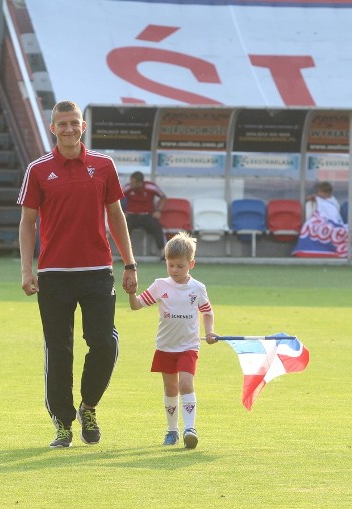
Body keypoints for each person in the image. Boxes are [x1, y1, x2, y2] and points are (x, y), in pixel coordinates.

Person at [18, 100, 137, 448]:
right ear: (52, 128)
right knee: (59, 350)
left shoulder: (103, 166)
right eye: (62, 124)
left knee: (104, 342)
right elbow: (27, 223)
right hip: (54, 274)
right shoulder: (38, 170)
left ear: (83, 127)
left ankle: (88, 406)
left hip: (98, 271)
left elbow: (116, 216)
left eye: (74, 123)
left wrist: (129, 263)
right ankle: (63, 424)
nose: (68, 129)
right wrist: (27, 268)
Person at [128, 231, 218, 449]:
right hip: (166, 346)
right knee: (170, 389)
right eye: (171, 265)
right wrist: (131, 293)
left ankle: (190, 429)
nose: (175, 270)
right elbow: (137, 305)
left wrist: (210, 331)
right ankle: (172, 431)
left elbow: (207, 312)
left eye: (180, 266)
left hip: (188, 346)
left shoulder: (197, 289)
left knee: (186, 384)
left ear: (191, 264)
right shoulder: (160, 285)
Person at [123, 171, 167, 260]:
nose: (131, 185)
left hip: (147, 215)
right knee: (124, 227)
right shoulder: (127, 188)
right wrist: (122, 212)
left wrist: (158, 211)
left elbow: (163, 197)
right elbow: (115, 198)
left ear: (140, 183)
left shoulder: (151, 187)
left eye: (133, 183)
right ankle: (125, 255)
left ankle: (163, 252)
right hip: (132, 216)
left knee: (157, 225)